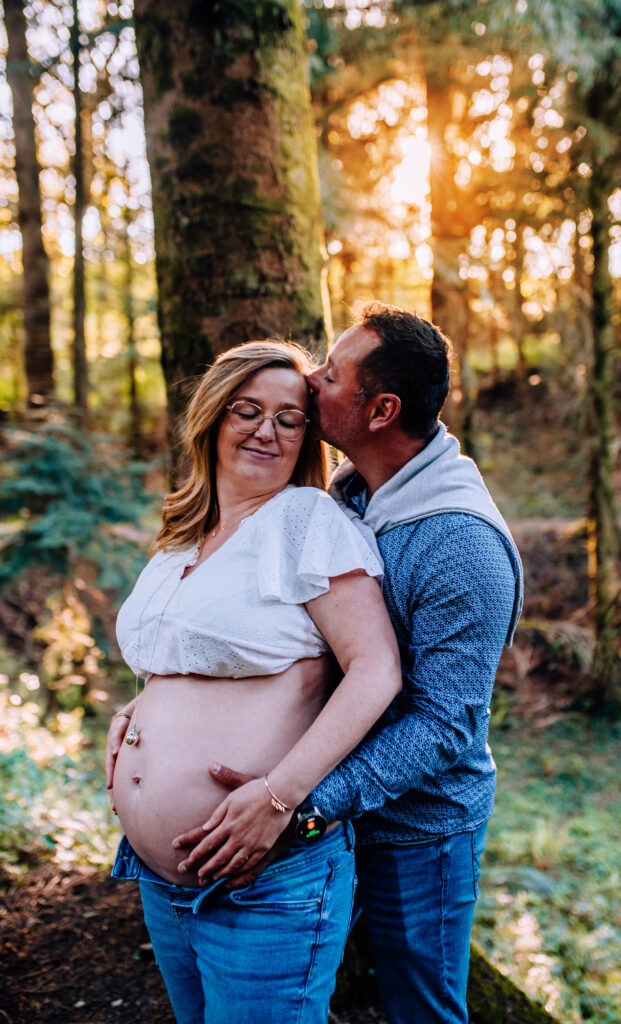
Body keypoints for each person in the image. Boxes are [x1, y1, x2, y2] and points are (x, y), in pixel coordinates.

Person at [178, 304, 523, 1024]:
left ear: (380, 410)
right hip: (325, 812)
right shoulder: (347, 496)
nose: (311, 378)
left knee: (417, 1008)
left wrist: (302, 806)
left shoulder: (461, 546)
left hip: (414, 830)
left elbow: (441, 727)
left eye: (330, 375)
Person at [105, 339, 402, 1024]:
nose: (266, 430)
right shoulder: (183, 534)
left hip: (266, 875)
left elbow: (375, 668)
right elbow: (181, 661)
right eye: (247, 410)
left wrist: (278, 796)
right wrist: (136, 716)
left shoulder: (305, 520)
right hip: (159, 877)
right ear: (213, 417)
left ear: (306, 438)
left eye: (289, 418)